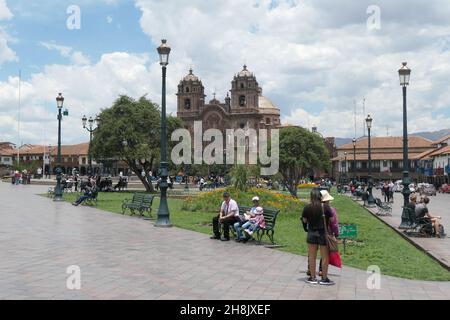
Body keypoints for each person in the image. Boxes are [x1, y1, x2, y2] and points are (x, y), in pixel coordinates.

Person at [302, 188, 334, 285]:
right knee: (325, 257)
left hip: (311, 233)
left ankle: (312, 277)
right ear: (320, 196)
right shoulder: (326, 207)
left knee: (312, 257)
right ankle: (324, 278)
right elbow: (332, 219)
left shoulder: (307, 207)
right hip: (323, 234)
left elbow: (304, 221)